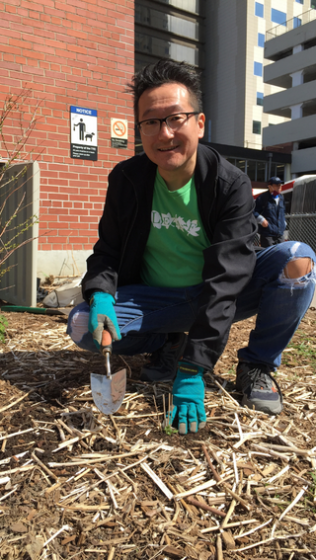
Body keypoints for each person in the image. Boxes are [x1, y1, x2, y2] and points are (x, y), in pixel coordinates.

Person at [67, 60, 316, 435]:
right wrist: (101, 294)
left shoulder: (228, 185)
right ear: (140, 131)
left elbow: (226, 280)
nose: (164, 134)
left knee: (298, 260)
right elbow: (108, 250)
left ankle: (257, 365)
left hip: (213, 293)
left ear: (199, 123)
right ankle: (169, 342)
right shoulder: (127, 180)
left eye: (175, 119)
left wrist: (193, 370)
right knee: (83, 324)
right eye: (151, 122)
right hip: (159, 298)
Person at [254, 177, 286, 247]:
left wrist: (284, 223)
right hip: (268, 234)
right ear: (270, 186)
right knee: (268, 255)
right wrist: (262, 220)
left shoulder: (281, 198)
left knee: (281, 254)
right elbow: (254, 212)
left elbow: (282, 212)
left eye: (280, 185)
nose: (279, 187)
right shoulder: (262, 198)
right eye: (277, 185)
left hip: (280, 234)